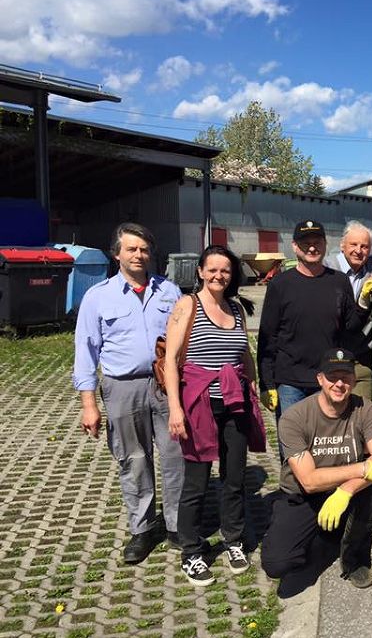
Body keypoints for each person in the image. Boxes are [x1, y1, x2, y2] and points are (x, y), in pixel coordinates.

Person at [73, 222, 184, 564]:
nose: (139, 255)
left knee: (176, 455)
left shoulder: (170, 292)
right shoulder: (98, 297)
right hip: (121, 388)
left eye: (144, 249)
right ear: (117, 254)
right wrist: (89, 405)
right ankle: (142, 529)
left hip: (166, 385)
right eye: (131, 249)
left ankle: (179, 526)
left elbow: (186, 343)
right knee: (133, 460)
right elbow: (85, 353)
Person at [164, 245, 267, 586]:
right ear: (200, 271)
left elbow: (244, 353)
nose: (219, 275)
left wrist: (252, 386)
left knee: (234, 478)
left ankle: (234, 540)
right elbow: (170, 361)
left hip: (234, 404)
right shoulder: (187, 306)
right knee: (195, 482)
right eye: (212, 269)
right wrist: (176, 409)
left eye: (225, 270)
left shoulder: (236, 309)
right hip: (199, 405)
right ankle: (191, 552)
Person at [260, 348, 372, 589]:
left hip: (348, 491)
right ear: (320, 379)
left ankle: (354, 557)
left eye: (346, 376)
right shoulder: (294, 417)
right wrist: (363, 468)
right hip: (304, 496)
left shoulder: (365, 409)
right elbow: (310, 481)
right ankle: (328, 537)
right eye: (333, 376)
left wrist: (345, 490)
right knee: (277, 563)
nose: (340, 383)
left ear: (354, 380)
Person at [257, 219, 367, 461]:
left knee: (327, 448)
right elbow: (267, 337)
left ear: (326, 245)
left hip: (328, 381)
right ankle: (293, 497)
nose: (312, 247)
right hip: (290, 382)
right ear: (295, 247)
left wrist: (364, 304)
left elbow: (350, 328)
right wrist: (267, 384)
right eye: (306, 243)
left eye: (317, 242)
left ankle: (324, 494)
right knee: (294, 452)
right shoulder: (280, 285)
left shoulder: (339, 282)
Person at [323, 221, 372, 399]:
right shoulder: (327, 268)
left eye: (364, 246)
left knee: (360, 413)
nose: (358, 250)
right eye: (353, 245)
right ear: (342, 246)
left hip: (360, 356)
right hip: (329, 354)